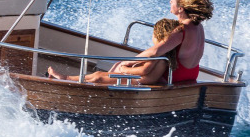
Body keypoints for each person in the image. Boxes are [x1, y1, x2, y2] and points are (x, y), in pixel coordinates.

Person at [48, 18, 181, 85]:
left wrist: (125, 69)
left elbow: (144, 70)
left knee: (98, 78)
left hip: (138, 81)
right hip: (139, 79)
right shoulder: (164, 54)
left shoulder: (158, 54)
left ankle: (68, 81)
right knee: (98, 73)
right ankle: (67, 78)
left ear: (158, 35)